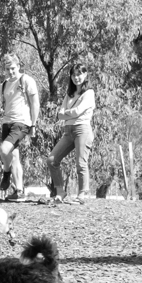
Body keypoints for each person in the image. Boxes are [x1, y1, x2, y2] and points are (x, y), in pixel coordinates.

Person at [48, 65, 96, 204]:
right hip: (68, 131)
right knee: (52, 160)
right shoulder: (69, 94)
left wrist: (66, 113)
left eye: (79, 74)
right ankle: (60, 192)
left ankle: (82, 194)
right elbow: (60, 115)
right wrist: (69, 114)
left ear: (85, 74)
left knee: (81, 163)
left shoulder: (89, 93)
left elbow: (77, 111)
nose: (76, 77)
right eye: (74, 75)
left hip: (82, 129)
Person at [0, 54, 39, 201]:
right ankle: (19, 191)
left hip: (21, 123)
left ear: (18, 66)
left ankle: (6, 172)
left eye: (13, 68)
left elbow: (35, 103)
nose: (10, 72)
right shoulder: (4, 84)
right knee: (14, 156)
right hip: (7, 122)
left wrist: (33, 124)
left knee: (4, 149)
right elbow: (4, 104)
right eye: (7, 69)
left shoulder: (26, 80)